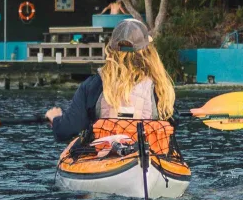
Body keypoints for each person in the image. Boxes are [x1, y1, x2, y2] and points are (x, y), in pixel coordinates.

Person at [44, 19, 178, 146]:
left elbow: (65, 131)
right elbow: (172, 123)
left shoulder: (93, 85)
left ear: (111, 49)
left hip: (104, 155)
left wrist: (56, 119)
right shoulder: (160, 87)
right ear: (147, 51)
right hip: (147, 156)